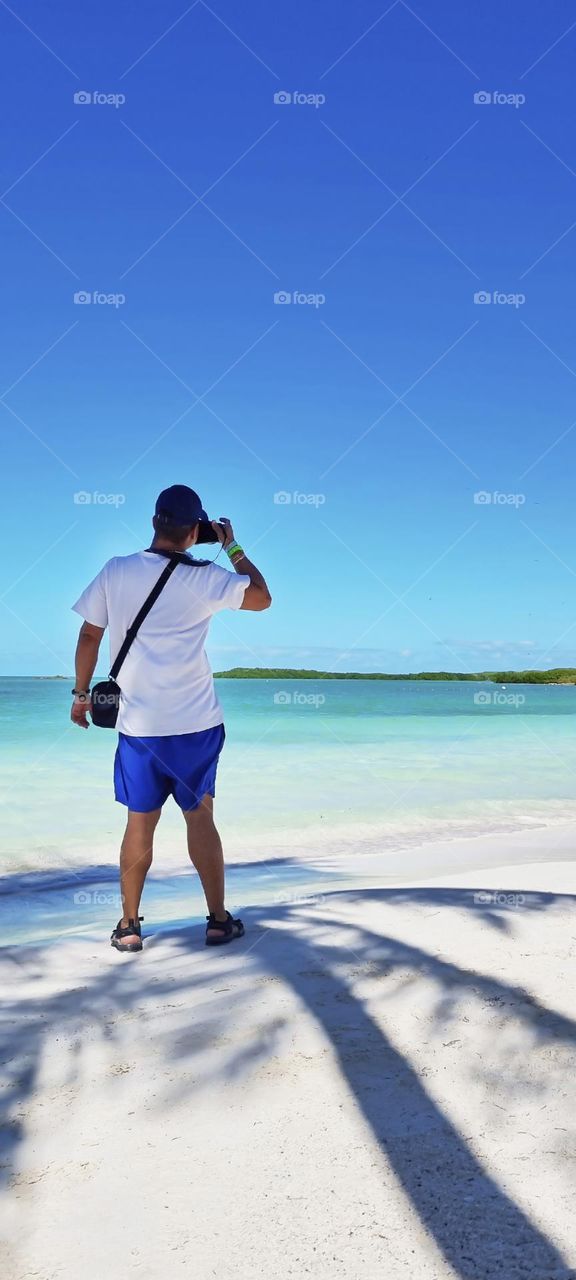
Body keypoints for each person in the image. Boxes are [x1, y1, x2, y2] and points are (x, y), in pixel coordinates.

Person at [70, 484, 272, 953]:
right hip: (196, 724)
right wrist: (231, 545)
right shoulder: (206, 577)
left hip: (138, 728)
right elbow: (261, 597)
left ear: (154, 522)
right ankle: (219, 922)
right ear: (195, 530)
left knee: (140, 823)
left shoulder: (116, 570)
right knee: (200, 817)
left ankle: (129, 927)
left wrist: (81, 695)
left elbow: (88, 636)